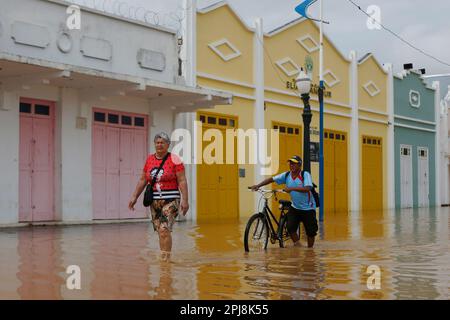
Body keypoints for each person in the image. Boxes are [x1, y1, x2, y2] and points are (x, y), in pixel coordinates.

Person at [128, 132, 189, 261]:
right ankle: (164, 258)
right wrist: (134, 196)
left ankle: (166, 261)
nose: (159, 145)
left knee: (164, 229)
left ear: (168, 145)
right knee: (160, 232)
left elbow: (182, 180)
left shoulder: (175, 159)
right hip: (154, 201)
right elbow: (143, 180)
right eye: (157, 142)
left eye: (162, 142)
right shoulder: (150, 159)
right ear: (154, 144)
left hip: (171, 199)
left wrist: (185, 200)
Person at [249, 155, 318, 248]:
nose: (291, 165)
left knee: (311, 232)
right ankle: (298, 246)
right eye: (290, 163)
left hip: (308, 208)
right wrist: (258, 185)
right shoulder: (286, 175)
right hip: (295, 207)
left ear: (299, 165)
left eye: (294, 163)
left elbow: (308, 188)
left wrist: (291, 188)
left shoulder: (305, 175)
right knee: (290, 228)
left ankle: (310, 252)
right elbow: (271, 179)